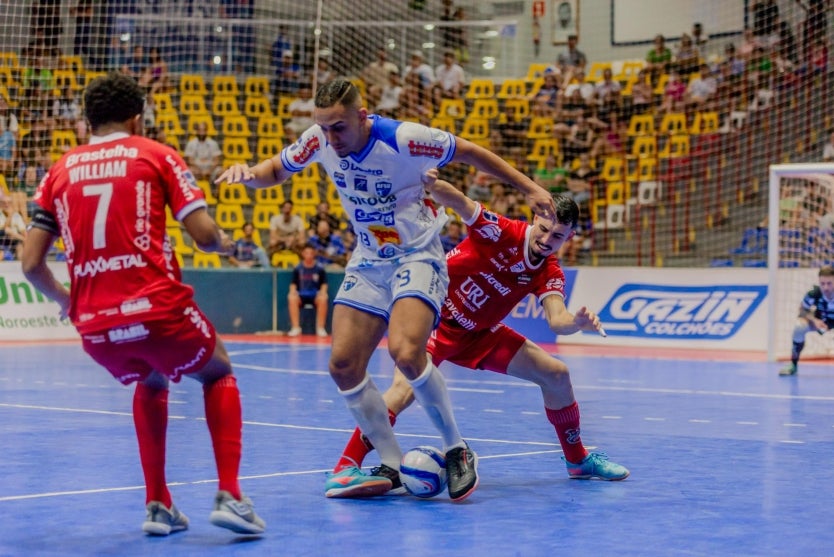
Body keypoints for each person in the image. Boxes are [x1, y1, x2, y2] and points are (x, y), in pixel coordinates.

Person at [216, 78, 555, 502]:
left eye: (338, 127)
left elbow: (468, 151)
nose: (330, 137)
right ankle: (391, 463)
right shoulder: (318, 140)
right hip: (369, 259)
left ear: (362, 116)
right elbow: (276, 170)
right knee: (342, 365)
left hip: (417, 256)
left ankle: (456, 447)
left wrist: (530, 188)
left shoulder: (405, 139)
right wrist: (248, 175)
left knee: (408, 353)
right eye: (323, 127)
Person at [20, 73, 265, 536]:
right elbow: (205, 237)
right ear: (137, 117)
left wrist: (70, 303)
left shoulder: (58, 171)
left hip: (95, 327)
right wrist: (230, 246)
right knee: (217, 370)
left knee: (151, 379)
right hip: (157, 309)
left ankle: (158, 504)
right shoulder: (156, 154)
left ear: (86, 122)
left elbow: (31, 264)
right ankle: (231, 495)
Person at [326, 173, 628, 499]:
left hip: (479, 334)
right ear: (534, 219)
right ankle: (347, 465)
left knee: (557, 374)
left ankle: (578, 460)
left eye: (556, 236)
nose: (546, 240)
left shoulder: (548, 270)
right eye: (543, 229)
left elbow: (558, 320)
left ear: (568, 238)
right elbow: (460, 202)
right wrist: (425, 180)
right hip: (434, 320)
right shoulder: (499, 231)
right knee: (402, 389)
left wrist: (576, 323)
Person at [779, 266, 834, 376]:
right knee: (799, 327)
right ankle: (793, 364)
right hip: (820, 321)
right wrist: (814, 321)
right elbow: (802, 310)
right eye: (822, 284)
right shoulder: (814, 293)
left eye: (829, 283)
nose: (826, 287)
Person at [287, 243, 329, 338]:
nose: (309, 255)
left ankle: (320, 328)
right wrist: (292, 292)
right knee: (291, 298)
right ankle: (295, 328)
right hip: (302, 295)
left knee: (323, 298)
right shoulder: (298, 268)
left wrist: (323, 292)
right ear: (303, 254)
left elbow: (324, 284)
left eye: (311, 253)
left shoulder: (319, 268)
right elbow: (293, 283)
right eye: (306, 253)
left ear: (314, 254)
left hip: (315, 295)